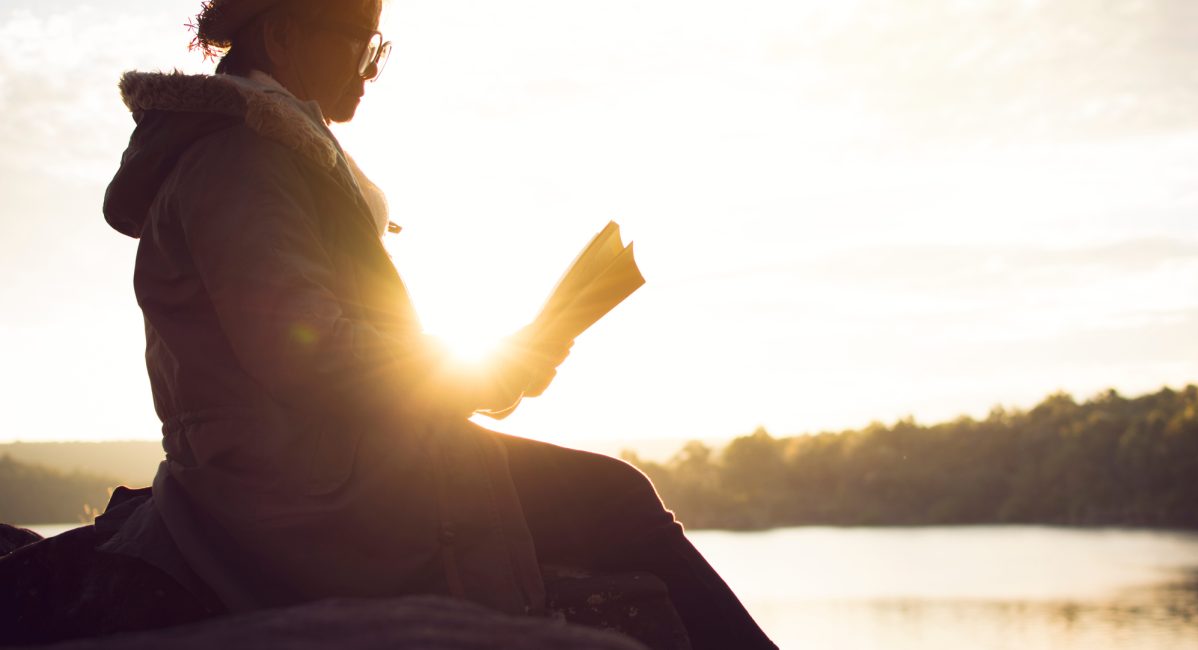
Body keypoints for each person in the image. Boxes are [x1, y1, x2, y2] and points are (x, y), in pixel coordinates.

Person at [99, 0, 777, 648]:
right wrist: (483, 371)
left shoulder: (261, 149)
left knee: (607, 496)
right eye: (363, 43)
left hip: (320, 459)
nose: (369, 71)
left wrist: (504, 365)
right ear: (281, 36)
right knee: (614, 498)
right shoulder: (243, 157)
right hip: (302, 483)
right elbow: (301, 350)